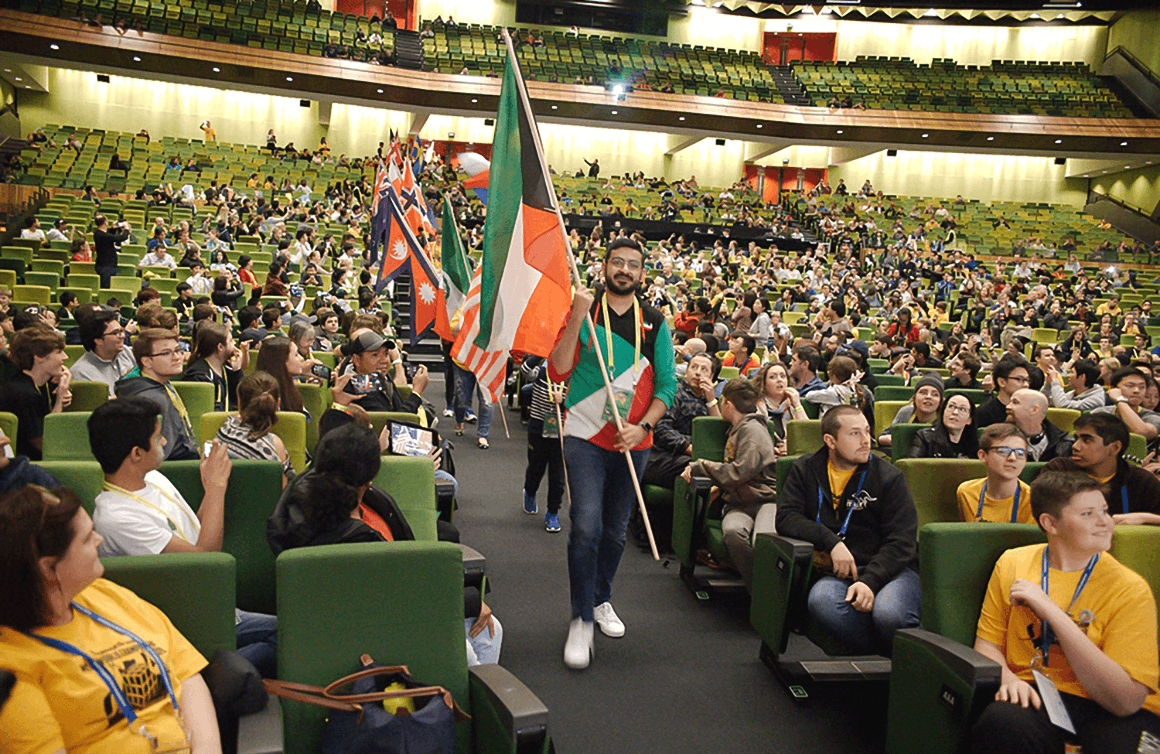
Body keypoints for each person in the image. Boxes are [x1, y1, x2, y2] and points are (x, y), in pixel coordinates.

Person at [0, 485, 222, 753]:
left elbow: (187, 676)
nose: (99, 540)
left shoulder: (106, 595)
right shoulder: (12, 663)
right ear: (48, 568)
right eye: (86, 538)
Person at [267, 423, 501, 665]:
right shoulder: (350, 540)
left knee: (486, 630)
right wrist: (466, 600)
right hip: (383, 629)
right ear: (368, 476)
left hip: (382, 610)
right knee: (485, 635)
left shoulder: (316, 497)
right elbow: (395, 594)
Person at [547, 237, 677, 670]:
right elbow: (558, 368)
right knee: (586, 524)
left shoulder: (655, 322)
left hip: (633, 442)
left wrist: (644, 425)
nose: (624, 270)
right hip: (584, 435)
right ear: (604, 267)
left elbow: (666, 387)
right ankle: (580, 618)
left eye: (633, 265)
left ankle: (601, 599)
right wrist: (577, 317)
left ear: (642, 273)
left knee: (616, 532)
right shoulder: (583, 310)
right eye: (616, 263)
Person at [969, 471, 1160, 754]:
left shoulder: (1130, 588)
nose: (1104, 522)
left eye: (1105, 511)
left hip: (1112, 705)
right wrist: (1008, 679)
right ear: (1050, 523)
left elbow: (1125, 701)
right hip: (1036, 690)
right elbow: (987, 645)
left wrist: (1050, 611)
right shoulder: (1013, 563)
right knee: (1002, 724)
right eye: (1087, 514)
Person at [87, 397, 278, 678]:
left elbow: (196, 539)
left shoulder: (153, 479)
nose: (165, 441)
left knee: (295, 631)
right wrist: (215, 488)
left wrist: (211, 488)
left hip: (213, 605)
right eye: (157, 437)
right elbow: (205, 562)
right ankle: (198, 676)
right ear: (136, 453)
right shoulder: (116, 518)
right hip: (186, 624)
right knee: (290, 638)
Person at [776, 405, 920, 655]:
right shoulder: (806, 469)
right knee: (821, 602)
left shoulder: (889, 477)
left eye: (867, 431)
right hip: (838, 574)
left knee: (889, 614)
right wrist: (831, 542)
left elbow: (902, 541)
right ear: (830, 440)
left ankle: (909, 661)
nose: (866, 441)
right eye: (855, 434)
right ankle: (897, 655)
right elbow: (787, 517)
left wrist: (870, 582)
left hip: (891, 570)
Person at [680, 379, 777, 590]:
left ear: (727, 404)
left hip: (766, 501)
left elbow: (737, 473)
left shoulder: (753, 432)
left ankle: (765, 596)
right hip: (738, 503)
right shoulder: (739, 427)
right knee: (733, 534)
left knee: (764, 539)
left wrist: (700, 465)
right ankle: (759, 591)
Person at [1045, 413, 1160, 525]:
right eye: (1076, 439)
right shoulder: (1058, 470)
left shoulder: (1142, 481)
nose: (1075, 446)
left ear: (1115, 448)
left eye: (1086, 440)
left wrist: (1145, 518)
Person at [114, 328, 200, 461]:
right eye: (166, 353)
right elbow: (162, 456)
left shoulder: (159, 384)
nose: (177, 357)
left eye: (177, 350)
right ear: (147, 361)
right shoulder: (152, 400)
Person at [0, 327, 72, 460]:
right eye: (59, 352)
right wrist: (60, 400)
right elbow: (46, 446)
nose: (65, 357)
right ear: (39, 357)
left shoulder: (44, 381)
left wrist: (63, 387)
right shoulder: (22, 393)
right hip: (30, 463)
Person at [214, 371, 295, 480]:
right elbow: (282, 491)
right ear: (278, 404)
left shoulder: (225, 428)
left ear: (239, 402)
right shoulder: (275, 445)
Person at [957, 423, 1033, 524]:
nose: (1012, 458)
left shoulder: (1033, 500)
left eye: (1020, 453)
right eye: (1003, 451)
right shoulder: (966, 492)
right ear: (983, 456)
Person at [69, 307, 136, 397]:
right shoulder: (81, 374)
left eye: (121, 331)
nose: (123, 336)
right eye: (116, 333)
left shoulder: (126, 352)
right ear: (98, 340)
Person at [182, 321, 246, 412]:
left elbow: (243, 399)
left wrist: (237, 371)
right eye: (231, 341)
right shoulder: (198, 377)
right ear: (220, 347)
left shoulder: (225, 368)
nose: (234, 344)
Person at [1092, 367, 1160, 442]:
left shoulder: (1152, 416)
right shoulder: (1100, 413)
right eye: (1130, 386)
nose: (1137, 391)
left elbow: (1142, 433)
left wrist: (1120, 401)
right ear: (1114, 389)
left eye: (1142, 387)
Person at [1006, 388, 1073, 463]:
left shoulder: (1066, 443)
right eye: (1010, 402)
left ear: (1034, 410)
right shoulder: (999, 439)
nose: (1008, 406)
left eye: (1015, 402)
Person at [879, 373, 942, 448]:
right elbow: (883, 436)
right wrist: (892, 440)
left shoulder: (945, 418)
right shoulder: (906, 412)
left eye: (935, 394)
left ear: (940, 401)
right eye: (923, 392)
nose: (928, 397)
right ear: (914, 397)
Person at [752, 360, 806, 446]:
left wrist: (797, 404)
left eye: (783, 376)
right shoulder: (756, 406)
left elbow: (806, 433)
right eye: (773, 377)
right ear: (764, 383)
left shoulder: (792, 406)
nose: (779, 380)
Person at [910, 392, 978, 459]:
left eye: (962, 409)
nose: (955, 412)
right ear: (943, 412)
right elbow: (912, 466)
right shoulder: (925, 438)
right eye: (951, 406)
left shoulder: (974, 445)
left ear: (969, 420)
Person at [976, 357, 1031, 428]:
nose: (1026, 384)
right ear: (1001, 382)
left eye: (1027, 380)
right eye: (1019, 379)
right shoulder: (983, 413)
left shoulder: (1031, 411)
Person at [93, 214, 130, 288]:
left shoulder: (98, 233)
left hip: (103, 264)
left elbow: (109, 237)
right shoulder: (103, 235)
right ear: (106, 223)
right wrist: (126, 228)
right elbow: (121, 237)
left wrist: (113, 228)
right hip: (106, 266)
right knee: (106, 287)